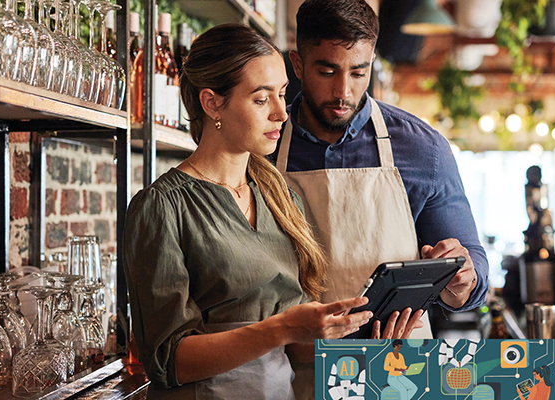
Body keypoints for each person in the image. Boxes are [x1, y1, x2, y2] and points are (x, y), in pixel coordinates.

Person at [122, 24, 373, 399]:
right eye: (261, 99)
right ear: (212, 103)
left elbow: (295, 344)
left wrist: (364, 332)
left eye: (283, 95)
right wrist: (281, 329)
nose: (280, 114)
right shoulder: (162, 207)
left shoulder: (281, 197)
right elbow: (167, 360)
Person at [274, 0, 488, 336]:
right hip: (292, 368)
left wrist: (463, 278)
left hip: (396, 368)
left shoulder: (423, 149)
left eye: (358, 72)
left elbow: (473, 275)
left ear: (371, 62)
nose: (343, 91)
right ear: (298, 65)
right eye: (327, 71)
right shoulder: (264, 144)